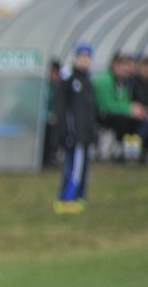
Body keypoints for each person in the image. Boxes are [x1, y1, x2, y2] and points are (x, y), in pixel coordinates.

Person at [53, 43, 97, 215]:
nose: (84, 61)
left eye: (88, 58)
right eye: (82, 57)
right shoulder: (69, 79)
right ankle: (66, 199)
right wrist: (67, 132)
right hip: (75, 135)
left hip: (84, 135)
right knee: (74, 168)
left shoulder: (87, 80)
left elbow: (87, 111)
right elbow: (64, 109)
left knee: (82, 167)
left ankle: (79, 196)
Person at [92, 51, 148, 162]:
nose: (126, 71)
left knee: (142, 119)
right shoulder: (104, 80)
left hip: (116, 113)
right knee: (125, 120)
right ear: (115, 65)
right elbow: (106, 105)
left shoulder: (121, 81)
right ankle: (129, 147)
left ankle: (134, 146)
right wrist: (129, 109)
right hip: (102, 115)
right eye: (123, 67)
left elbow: (125, 100)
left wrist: (135, 109)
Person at [42, 60, 62, 166]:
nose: (54, 76)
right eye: (52, 73)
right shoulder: (43, 86)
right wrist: (49, 116)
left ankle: (52, 155)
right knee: (48, 128)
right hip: (40, 119)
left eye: (57, 73)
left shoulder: (60, 87)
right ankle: (46, 157)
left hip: (53, 119)